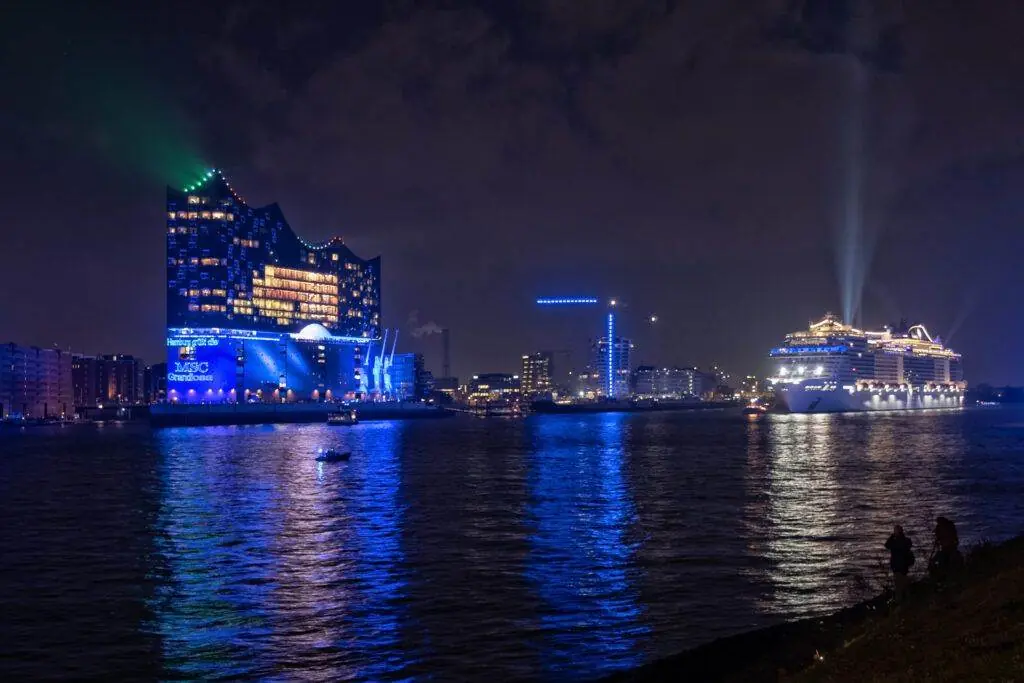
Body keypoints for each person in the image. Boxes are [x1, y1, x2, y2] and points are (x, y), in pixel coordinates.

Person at [884, 524, 914, 602]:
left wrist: (892, 536)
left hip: (897, 566)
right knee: (904, 583)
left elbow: (887, 545)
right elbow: (909, 546)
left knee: (898, 586)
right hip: (904, 565)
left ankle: (900, 602)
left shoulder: (895, 542)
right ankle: (908, 599)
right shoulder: (907, 540)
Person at [929, 516, 962, 585]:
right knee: (947, 562)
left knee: (947, 562)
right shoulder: (949, 526)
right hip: (949, 546)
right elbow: (954, 535)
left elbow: (939, 537)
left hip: (949, 547)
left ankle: (946, 579)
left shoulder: (943, 527)